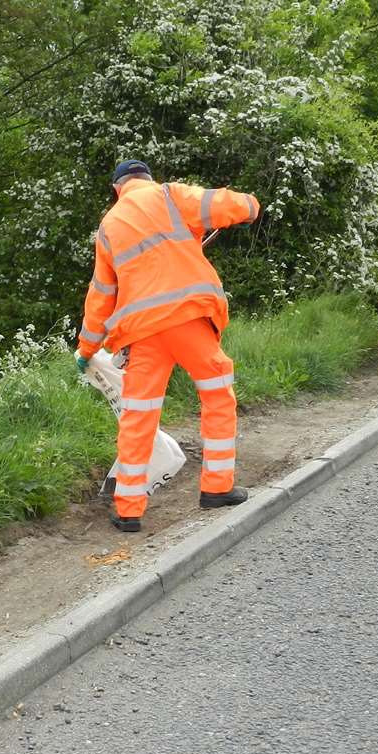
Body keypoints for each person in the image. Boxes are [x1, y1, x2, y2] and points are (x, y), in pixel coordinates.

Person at [75, 159, 260, 533]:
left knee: (138, 416)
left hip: (142, 334)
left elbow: (101, 295)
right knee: (217, 396)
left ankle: (128, 510)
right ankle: (216, 488)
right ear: (147, 178)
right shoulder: (170, 195)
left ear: (117, 189)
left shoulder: (108, 227)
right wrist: (251, 205)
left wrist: (86, 348)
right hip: (188, 320)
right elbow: (224, 205)